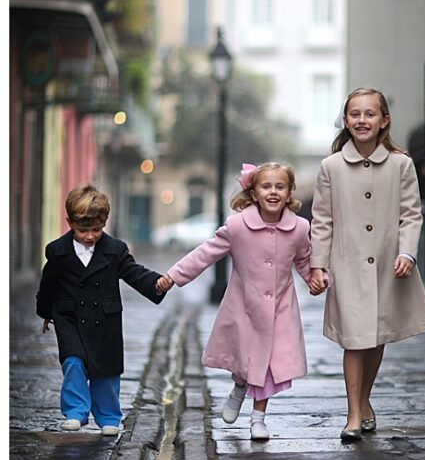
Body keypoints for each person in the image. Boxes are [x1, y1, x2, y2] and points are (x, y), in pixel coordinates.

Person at [309, 88, 425, 444]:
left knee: (376, 337)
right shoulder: (330, 167)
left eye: (369, 114)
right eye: (355, 114)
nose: (362, 121)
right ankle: (352, 414)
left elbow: (411, 213)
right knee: (354, 338)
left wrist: (407, 253)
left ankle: (364, 400)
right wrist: (318, 265)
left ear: (384, 121)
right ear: (345, 121)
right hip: (346, 263)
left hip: (386, 263)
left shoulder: (401, 164)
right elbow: (321, 220)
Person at [156, 162, 313, 443]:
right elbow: (205, 254)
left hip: (280, 309)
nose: (273, 192)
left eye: (280, 186)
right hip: (244, 307)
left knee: (267, 367)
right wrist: (173, 276)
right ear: (253, 193)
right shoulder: (237, 226)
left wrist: (313, 277)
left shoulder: (299, 228)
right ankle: (239, 387)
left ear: (289, 193)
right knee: (245, 360)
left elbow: (303, 257)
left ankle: (257, 419)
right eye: (266, 186)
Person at [34, 182, 166, 431]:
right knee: (73, 362)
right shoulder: (58, 251)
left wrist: (156, 284)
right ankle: (75, 411)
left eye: (96, 229)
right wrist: (45, 312)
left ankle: (108, 417)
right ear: (70, 222)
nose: (90, 236)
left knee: (106, 370)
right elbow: (48, 283)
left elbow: (133, 272)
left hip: (105, 318)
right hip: (69, 316)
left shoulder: (115, 250)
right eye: (84, 230)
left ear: (105, 222)